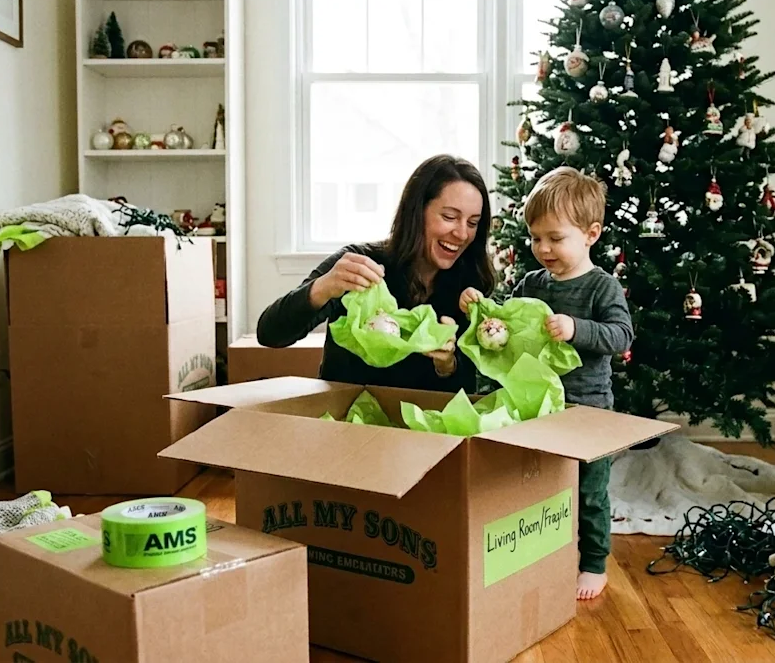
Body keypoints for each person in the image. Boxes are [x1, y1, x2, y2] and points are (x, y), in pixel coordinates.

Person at [460, 166, 633, 601]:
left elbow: (621, 336)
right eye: (536, 238)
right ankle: (539, 554)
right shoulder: (533, 283)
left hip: (586, 409)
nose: (544, 248)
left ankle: (594, 563)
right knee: (536, 486)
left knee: (590, 490)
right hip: (537, 406)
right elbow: (508, 318)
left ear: (591, 234)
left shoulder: (602, 287)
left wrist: (577, 329)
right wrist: (482, 307)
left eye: (556, 238)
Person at [256, 154, 496, 393]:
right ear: (416, 211)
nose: (462, 234)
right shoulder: (360, 264)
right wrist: (323, 287)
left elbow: (464, 392)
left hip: (421, 426)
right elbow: (270, 334)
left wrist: (447, 365)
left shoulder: (469, 282)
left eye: (473, 223)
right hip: (346, 421)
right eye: (450, 217)